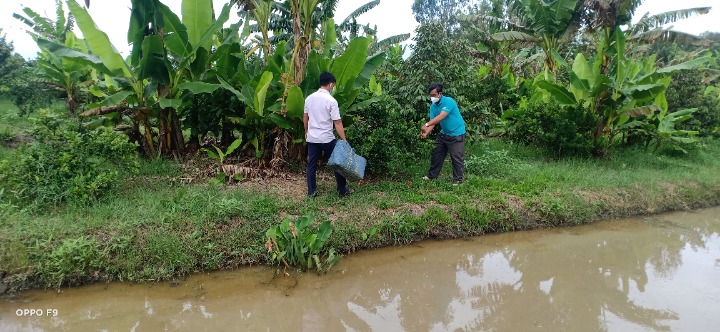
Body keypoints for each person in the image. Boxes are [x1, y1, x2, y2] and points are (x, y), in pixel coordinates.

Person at [304, 72, 354, 197]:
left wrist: (306, 131)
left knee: (311, 165)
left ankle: (311, 192)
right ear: (331, 84)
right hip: (326, 138)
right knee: (338, 163)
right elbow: (337, 122)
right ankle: (341, 190)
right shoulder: (331, 101)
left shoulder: (309, 98)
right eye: (333, 85)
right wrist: (344, 140)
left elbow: (305, 117)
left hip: (312, 137)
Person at [420, 83, 466, 184]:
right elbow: (433, 121)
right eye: (430, 95)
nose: (432, 98)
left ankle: (458, 180)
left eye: (433, 95)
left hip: (456, 133)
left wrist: (426, 124)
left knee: (456, 157)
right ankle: (431, 176)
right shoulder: (433, 106)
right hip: (444, 133)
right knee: (436, 154)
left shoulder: (448, 101)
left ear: (440, 94)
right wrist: (426, 133)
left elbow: (441, 117)